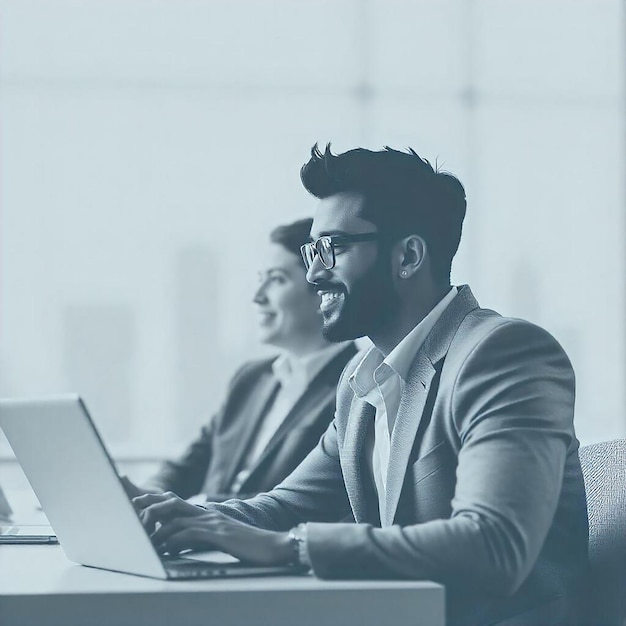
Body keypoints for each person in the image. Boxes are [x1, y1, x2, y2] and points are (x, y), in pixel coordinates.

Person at [135, 146, 589, 626]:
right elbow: (288, 504)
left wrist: (287, 548)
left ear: (409, 256)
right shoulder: (361, 381)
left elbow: (493, 545)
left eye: (332, 248)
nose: (313, 273)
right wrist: (183, 517)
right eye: (312, 251)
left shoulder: (502, 353)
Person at [127, 218, 356, 502]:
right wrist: (144, 495)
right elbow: (189, 465)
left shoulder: (354, 386)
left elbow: (310, 503)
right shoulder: (251, 378)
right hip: (200, 533)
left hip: (255, 539)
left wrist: (198, 509)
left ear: (320, 288)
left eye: (276, 280)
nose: (258, 297)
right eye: (261, 279)